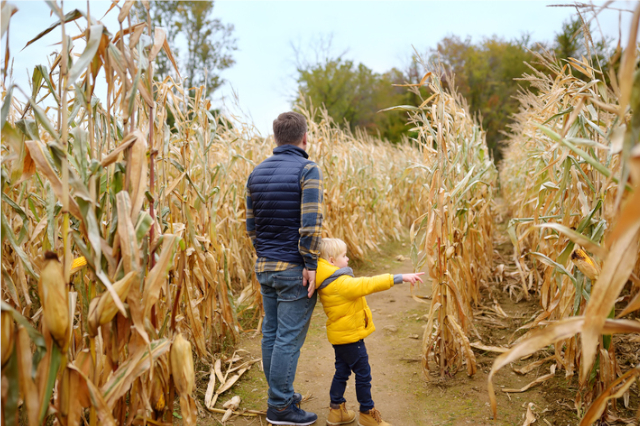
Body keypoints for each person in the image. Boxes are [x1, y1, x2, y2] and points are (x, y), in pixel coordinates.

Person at [245, 111, 323, 426]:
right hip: (293, 267)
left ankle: (281, 395)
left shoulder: (257, 172)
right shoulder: (308, 169)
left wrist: (264, 254)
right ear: (304, 138)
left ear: (276, 138)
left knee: (272, 334)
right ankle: (280, 407)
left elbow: (251, 226)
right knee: (288, 337)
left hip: (265, 265)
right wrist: (310, 263)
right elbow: (310, 223)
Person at [315, 238, 424, 426]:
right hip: (350, 338)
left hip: (341, 337)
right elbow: (368, 284)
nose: (348, 259)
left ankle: (336, 411)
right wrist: (399, 278)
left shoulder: (327, 280)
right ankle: (366, 412)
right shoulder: (340, 283)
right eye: (344, 256)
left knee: (342, 371)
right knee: (363, 374)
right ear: (332, 261)